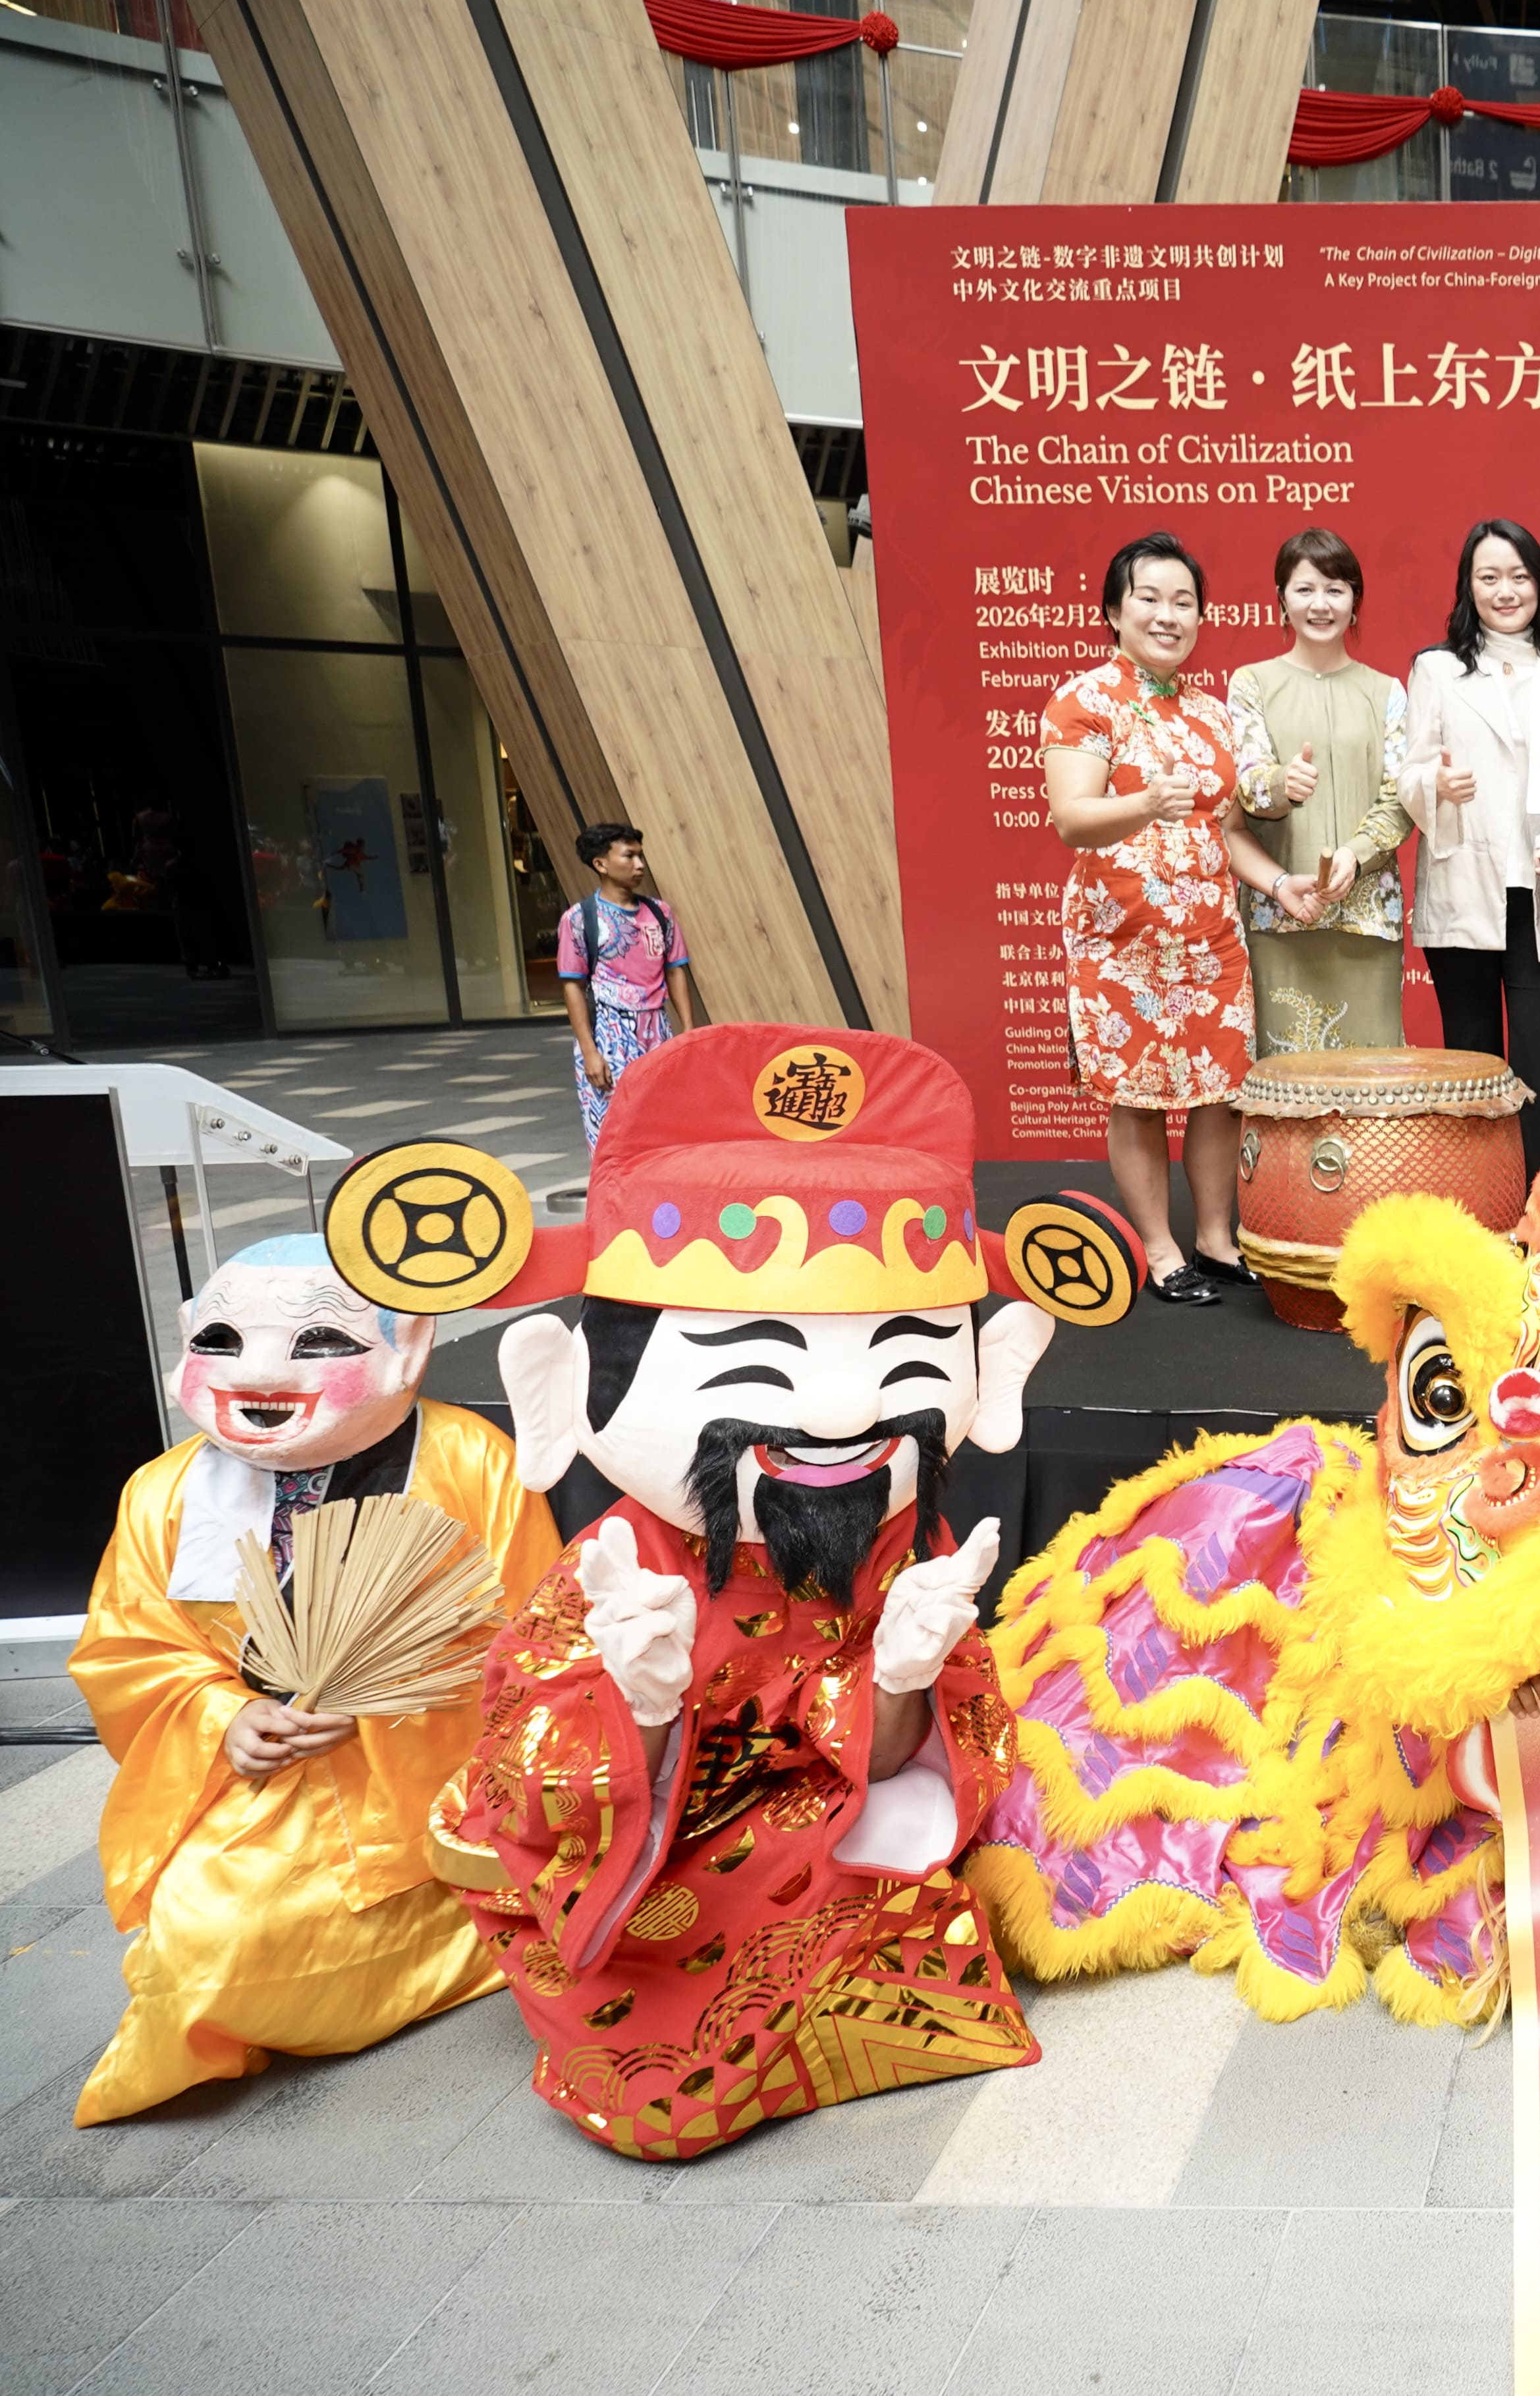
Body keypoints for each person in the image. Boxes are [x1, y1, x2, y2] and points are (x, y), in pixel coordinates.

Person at [451, 1025, 1062, 2160]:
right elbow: (529, 1796)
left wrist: (906, 1677)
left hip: (825, 1837)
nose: (839, 1413)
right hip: (650, 1863)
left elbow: (904, 1763)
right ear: (561, 1390)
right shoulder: (620, 1567)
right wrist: (641, 1709)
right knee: (661, 2107)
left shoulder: (896, 1540)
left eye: (898, 1358)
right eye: (754, 1364)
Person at [68, 1237, 556, 2125]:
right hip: (264, 1788)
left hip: (433, 1785)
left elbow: (537, 1634)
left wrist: (393, 1706)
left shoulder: (469, 1459)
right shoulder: (162, 1492)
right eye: (220, 1339)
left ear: (407, 1348)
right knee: (206, 1948)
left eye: (317, 1341)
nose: (258, 1371)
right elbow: (128, 1647)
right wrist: (225, 1715)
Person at [1046, 531, 1312, 1306]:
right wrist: (1143, 804)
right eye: (1150, 598)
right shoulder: (1084, 701)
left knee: (1220, 1090)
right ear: (1114, 611)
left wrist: (1279, 883)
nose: (1168, 615)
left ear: (1201, 616)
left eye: (1184, 601)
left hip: (1209, 936)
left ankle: (1215, 1239)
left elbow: (1227, 831)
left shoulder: (1210, 713)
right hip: (1121, 935)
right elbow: (1071, 817)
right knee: (1137, 1094)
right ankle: (1160, 1249)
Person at [1404, 520, 1540, 1175]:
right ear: (1469, 586)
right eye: (1489, 577)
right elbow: (1409, 773)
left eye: (1519, 576)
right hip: (1465, 884)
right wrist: (1435, 784)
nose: (1505, 590)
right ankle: (1478, 1204)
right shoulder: (1437, 670)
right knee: (1471, 1058)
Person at [1232, 527, 1416, 1056]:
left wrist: (1355, 857)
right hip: (1281, 913)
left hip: (1368, 920)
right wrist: (1280, 784)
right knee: (1284, 1079)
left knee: (1372, 1078)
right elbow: (1247, 781)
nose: (1321, 604)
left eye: (1336, 589)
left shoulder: (1387, 691)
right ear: (1281, 600)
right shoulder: (1251, 683)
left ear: (1355, 602)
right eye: (1305, 589)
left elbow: (1400, 799)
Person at [557, 822, 703, 1146]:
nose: (640, 865)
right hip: (609, 1035)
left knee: (664, 1128)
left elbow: (675, 971)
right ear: (601, 864)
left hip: (658, 1030)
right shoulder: (579, 919)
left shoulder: (660, 913)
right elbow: (573, 987)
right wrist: (590, 1051)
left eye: (641, 856)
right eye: (629, 856)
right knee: (613, 1133)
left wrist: (688, 1032)